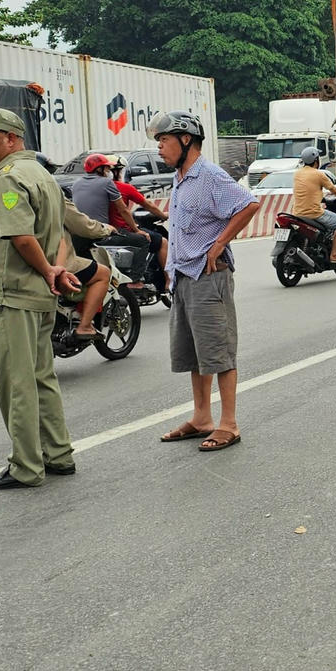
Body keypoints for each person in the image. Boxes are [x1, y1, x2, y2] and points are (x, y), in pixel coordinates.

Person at [0, 108, 79, 489]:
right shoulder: (42, 174)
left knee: (16, 382)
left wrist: (47, 271)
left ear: (10, 138)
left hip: (11, 294)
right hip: (36, 294)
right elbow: (58, 235)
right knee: (42, 376)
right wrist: (54, 271)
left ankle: (26, 466)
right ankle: (58, 454)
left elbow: (22, 237)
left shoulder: (9, 179)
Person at [148, 111, 258, 452]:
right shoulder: (180, 178)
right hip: (184, 275)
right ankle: (201, 418)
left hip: (210, 277)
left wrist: (221, 242)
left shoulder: (209, 175)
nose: (160, 149)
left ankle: (229, 424)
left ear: (185, 140)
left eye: (163, 141)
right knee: (195, 353)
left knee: (218, 352)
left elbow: (248, 203)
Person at [37, 153, 113, 340]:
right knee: (103, 273)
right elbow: (82, 224)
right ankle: (85, 326)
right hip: (52, 260)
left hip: (24, 261)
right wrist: (106, 229)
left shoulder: (6, 190)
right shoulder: (54, 195)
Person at [69, 153, 152, 264]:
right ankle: (135, 279)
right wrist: (137, 230)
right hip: (100, 233)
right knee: (143, 240)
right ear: (99, 169)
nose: (109, 172)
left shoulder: (76, 183)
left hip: (78, 235)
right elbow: (123, 210)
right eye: (107, 168)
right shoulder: (106, 182)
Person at [292, 146, 336, 265]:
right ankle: (334, 255)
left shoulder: (297, 174)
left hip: (297, 213)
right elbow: (334, 190)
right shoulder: (319, 175)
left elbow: (309, 191)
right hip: (313, 213)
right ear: (316, 160)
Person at [106, 154, 169, 271]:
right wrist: (163, 215)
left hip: (102, 230)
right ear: (119, 171)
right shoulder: (124, 187)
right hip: (122, 231)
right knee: (162, 242)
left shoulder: (95, 187)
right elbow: (147, 204)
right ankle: (168, 281)